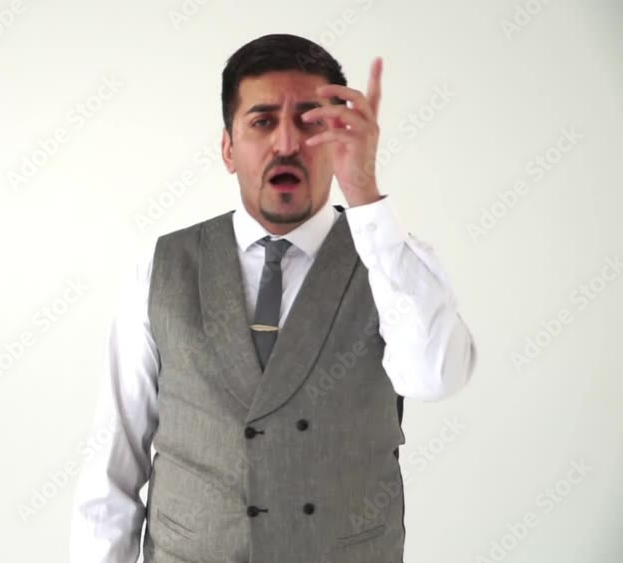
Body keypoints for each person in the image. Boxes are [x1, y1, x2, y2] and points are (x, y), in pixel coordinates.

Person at [68, 33, 477, 563]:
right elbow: (112, 464)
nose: (287, 144)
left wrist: (365, 194)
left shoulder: (392, 260)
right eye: (262, 122)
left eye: (311, 123)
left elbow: (437, 377)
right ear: (228, 149)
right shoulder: (161, 266)